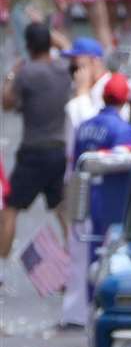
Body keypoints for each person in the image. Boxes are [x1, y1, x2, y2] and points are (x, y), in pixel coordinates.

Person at [0, 21, 71, 267]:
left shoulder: (26, 74)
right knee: (63, 211)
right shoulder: (64, 70)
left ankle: (1, 268)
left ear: (28, 47)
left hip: (32, 152)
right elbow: (68, 47)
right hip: (59, 151)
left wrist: (12, 73)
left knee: (10, 210)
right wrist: (53, 36)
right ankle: (75, 263)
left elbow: (7, 102)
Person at [70, 70, 131, 266]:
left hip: (86, 199)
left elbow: (75, 164)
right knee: (112, 260)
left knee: (93, 260)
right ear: (126, 100)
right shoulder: (123, 130)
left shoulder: (84, 126)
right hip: (113, 201)